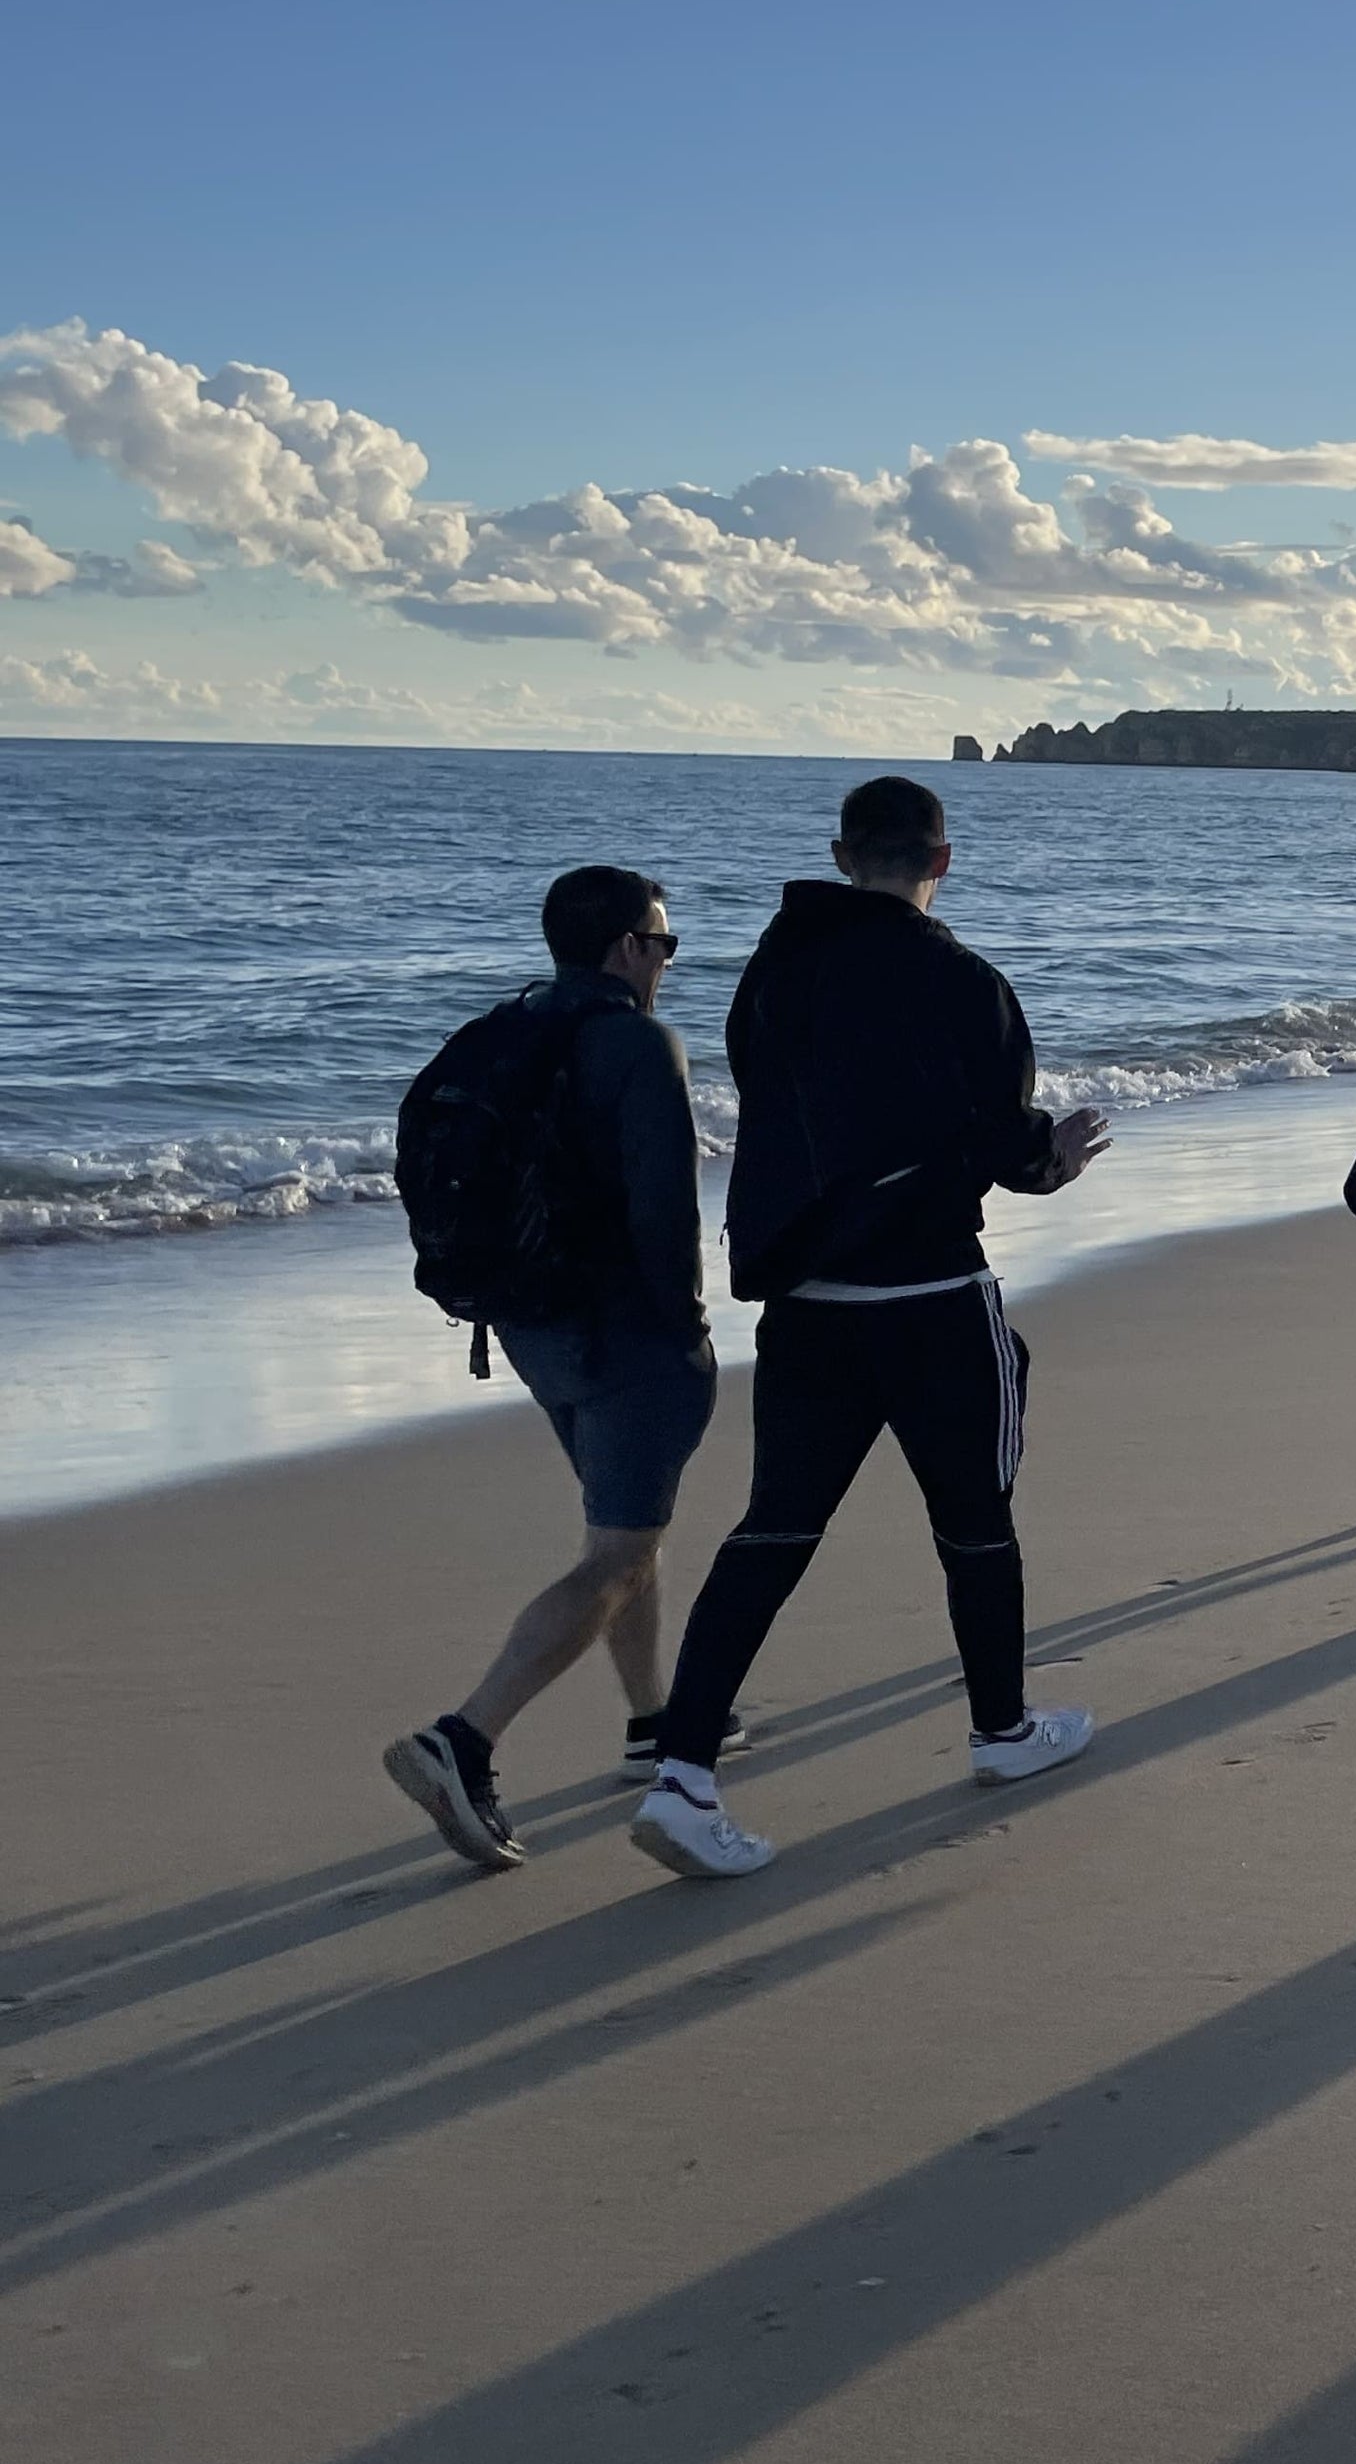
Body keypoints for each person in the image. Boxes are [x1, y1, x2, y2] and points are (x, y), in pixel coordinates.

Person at [626, 778, 1111, 1880]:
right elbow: (1003, 1142)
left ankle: (683, 1774)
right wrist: (1053, 1158)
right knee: (975, 1521)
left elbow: (775, 1097)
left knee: (773, 1531)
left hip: (807, 1301)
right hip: (935, 1296)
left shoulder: (774, 969)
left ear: (844, 855)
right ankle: (1001, 1732)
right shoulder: (964, 981)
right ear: (944, 859)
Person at [382, 867, 713, 1870]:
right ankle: (463, 1738)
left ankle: (655, 1722)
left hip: (530, 1325)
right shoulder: (637, 1042)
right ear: (623, 948)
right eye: (660, 944)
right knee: (616, 1554)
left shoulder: (508, 1031)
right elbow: (666, 1212)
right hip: (626, 1338)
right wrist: (687, 1329)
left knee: (622, 1528)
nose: (664, 963)